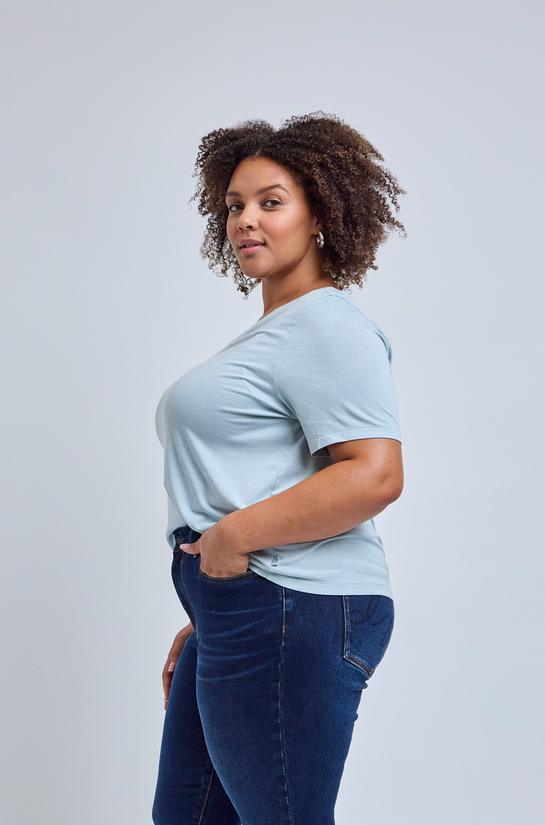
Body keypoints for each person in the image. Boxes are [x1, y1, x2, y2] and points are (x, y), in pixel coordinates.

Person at [152, 112, 406, 825]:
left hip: (295, 604)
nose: (245, 221)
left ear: (320, 212)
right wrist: (210, 606)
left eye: (271, 201)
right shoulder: (275, 334)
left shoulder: (326, 324)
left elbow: (374, 473)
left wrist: (232, 543)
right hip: (247, 608)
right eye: (235, 205)